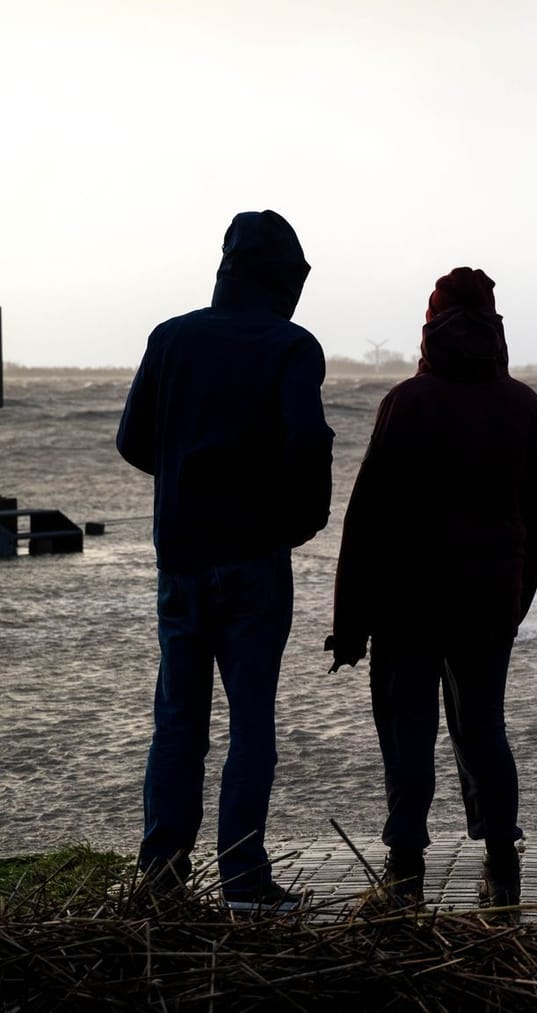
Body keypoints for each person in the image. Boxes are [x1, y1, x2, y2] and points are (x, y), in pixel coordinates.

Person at [116, 210, 333, 912]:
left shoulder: (170, 338)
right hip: (253, 561)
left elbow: (132, 440)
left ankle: (162, 875)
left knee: (178, 721)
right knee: (251, 721)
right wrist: (296, 522)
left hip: (179, 560)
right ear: (284, 279)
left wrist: (185, 477)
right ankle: (243, 876)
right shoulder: (291, 346)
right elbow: (307, 444)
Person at [330, 267, 537, 910]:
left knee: (407, 729)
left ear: (430, 329)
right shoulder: (525, 407)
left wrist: (349, 622)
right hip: (489, 598)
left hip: (407, 600)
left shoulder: (408, 401)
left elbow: (366, 515)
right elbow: (534, 521)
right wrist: (517, 600)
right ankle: (501, 862)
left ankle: (404, 867)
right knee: (483, 726)